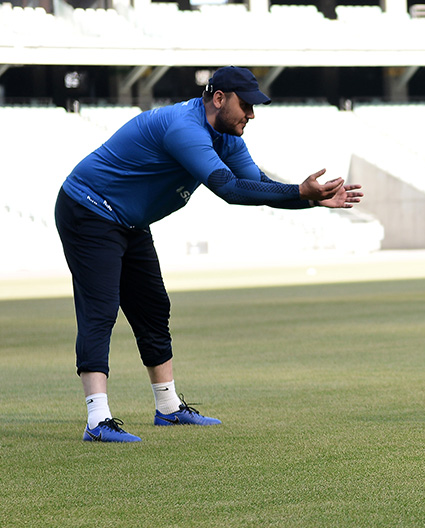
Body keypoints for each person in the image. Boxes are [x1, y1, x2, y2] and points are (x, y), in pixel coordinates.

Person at [55, 66, 363, 442]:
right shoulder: (184, 128)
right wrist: (300, 192)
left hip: (129, 220)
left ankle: (168, 408)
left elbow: (257, 184)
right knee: (101, 309)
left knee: (153, 308)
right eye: (246, 105)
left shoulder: (226, 135)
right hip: (88, 208)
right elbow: (229, 189)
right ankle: (97, 419)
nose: (252, 114)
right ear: (219, 99)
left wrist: (311, 199)